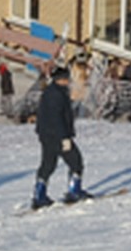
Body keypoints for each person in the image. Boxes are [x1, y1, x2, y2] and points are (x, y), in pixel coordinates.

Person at [32, 63, 91, 208]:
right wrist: (64, 137)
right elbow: (56, 118)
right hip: (57, 136)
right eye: (66, 79)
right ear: (59, 79)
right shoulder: (57, 95)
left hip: (47, 135)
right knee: (76, 161)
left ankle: (39, 195)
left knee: (48, 164)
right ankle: (74, 190)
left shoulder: (52, 92)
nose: (68, 81)